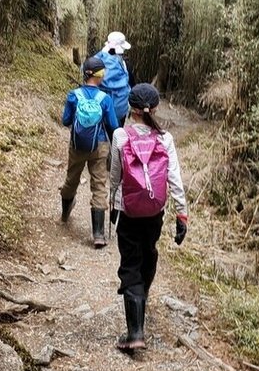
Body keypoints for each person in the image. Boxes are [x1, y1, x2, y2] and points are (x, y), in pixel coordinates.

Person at [109, 82, 188, 351]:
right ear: (154, 109)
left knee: (130, 263)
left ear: (131, 109)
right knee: (148, 252)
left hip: (129, 212)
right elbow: (174, 178)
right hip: (155, 212)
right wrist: (182, 214)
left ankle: (135, 334)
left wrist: (113, 206)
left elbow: (115, 177)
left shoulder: (121, 136)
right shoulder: (165, 139)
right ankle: (142, 294)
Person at [60, 56, 119, 247]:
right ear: (100, 75)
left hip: (77, 146)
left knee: (72, 179)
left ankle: (64, 213)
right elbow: (113, 126)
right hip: (99, 146)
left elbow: (66, 121)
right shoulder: (105, 99)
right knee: (99, 185)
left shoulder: (73, 95)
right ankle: (98, 235)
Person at [94, 31, 133, 126]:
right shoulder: (124, 64)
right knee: (116, 136)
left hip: (97, 107)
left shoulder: (96, 61)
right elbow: (131, 84)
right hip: (119, 110)